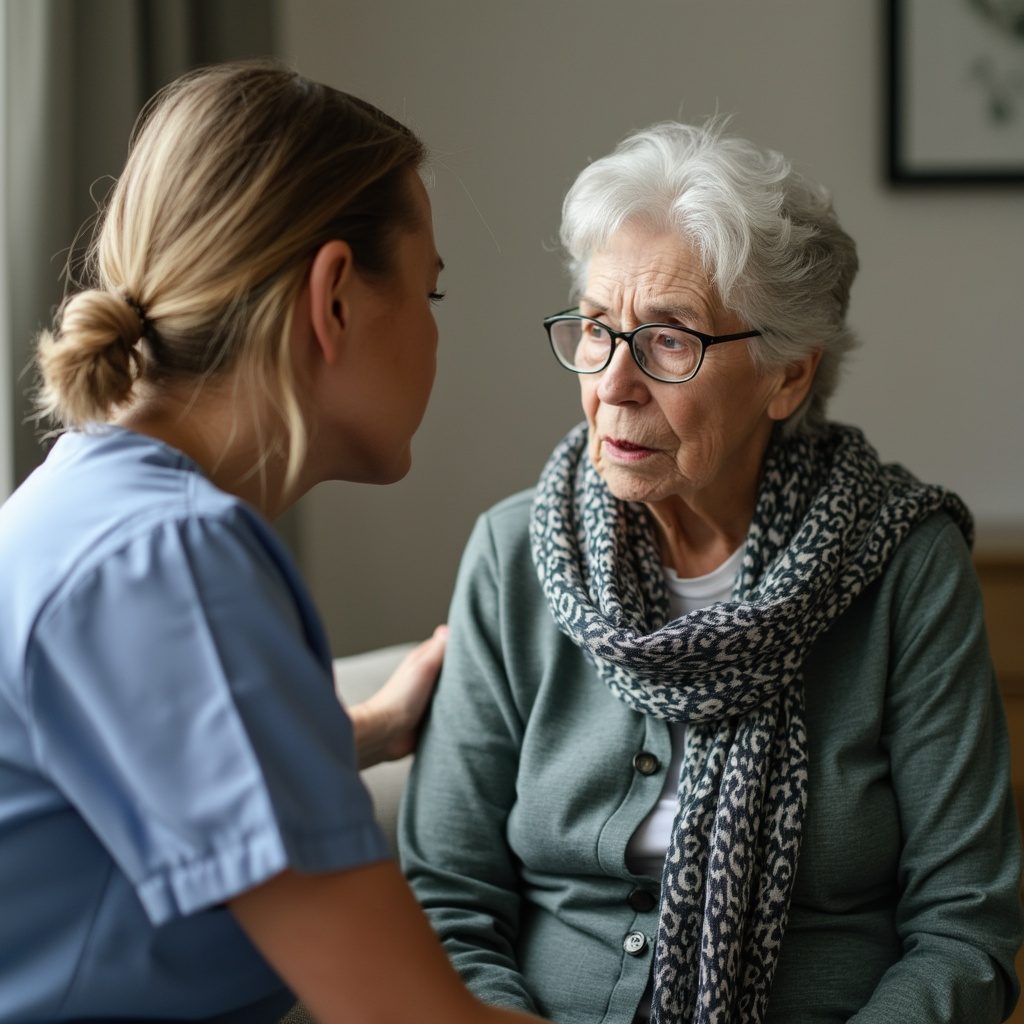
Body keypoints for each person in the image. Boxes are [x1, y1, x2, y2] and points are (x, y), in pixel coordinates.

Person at [399, 120, 1024, 1024]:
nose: (613, 383)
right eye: (595, 330)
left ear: (788, 376)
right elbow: (445, 900)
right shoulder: (514, 557)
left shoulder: (903, 567)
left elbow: (966, 931)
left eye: (669, 341)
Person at [0, 61, 547, 1024]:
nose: (432, 336)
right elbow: (408, 1017)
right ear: (334, 296)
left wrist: (371, 730)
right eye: (432, 295)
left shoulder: (91, 504)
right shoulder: (169, 564)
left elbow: (149, 776)